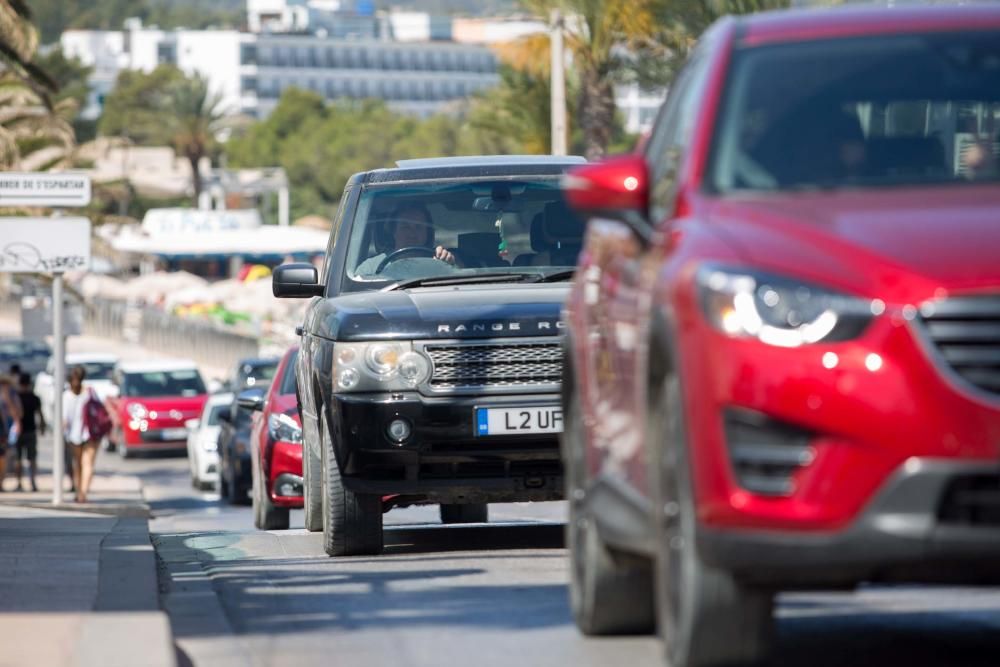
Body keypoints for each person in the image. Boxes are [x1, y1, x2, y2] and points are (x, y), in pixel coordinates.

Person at [356, 203, 456, 275]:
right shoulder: (370, 268)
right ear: (393, 231)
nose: (412, 233)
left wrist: (448, 264)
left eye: (419, 227)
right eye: (405, 227)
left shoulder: (439, 261)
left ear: (427, 233)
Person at [63, 366, 100, 503]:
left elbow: (64, 420)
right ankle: (83, 493)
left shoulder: (66, 396)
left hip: (74, 435)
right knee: (88, 464)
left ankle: (79, 492)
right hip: (90, 433)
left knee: (77, 464)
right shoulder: (90, 392)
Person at [15, 372, 44, 492]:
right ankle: (32, 482)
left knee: (18, 458)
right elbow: (40, 414)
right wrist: (42, 427)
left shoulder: (16, 397)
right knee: (32, 459)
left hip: (18, 431)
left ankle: (19, 482)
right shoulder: (34, 397)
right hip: (31, 430)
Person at [0, 374, 22, 492]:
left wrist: (17, 423)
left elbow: (18, 412)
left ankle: (1, 482)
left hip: (4, 430)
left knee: (3, 457)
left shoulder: (12, 395)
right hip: (3, 429)